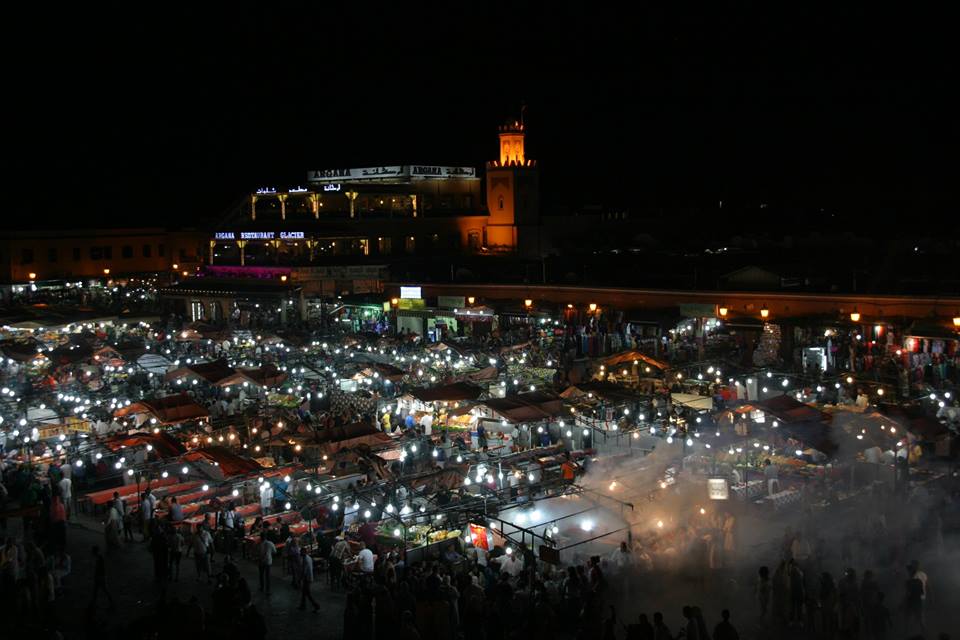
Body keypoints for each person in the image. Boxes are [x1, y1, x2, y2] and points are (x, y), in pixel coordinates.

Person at [298, 548, 319, 612]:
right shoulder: (308, 558)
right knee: (304, 593)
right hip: (308, 577)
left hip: (307, 578)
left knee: (307, 593)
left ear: (303, 552)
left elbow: (304, 571)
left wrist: (300, 578)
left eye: (301, 552)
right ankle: (303, 605)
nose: (300, 553)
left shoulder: (305, 560)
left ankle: (316, 605)